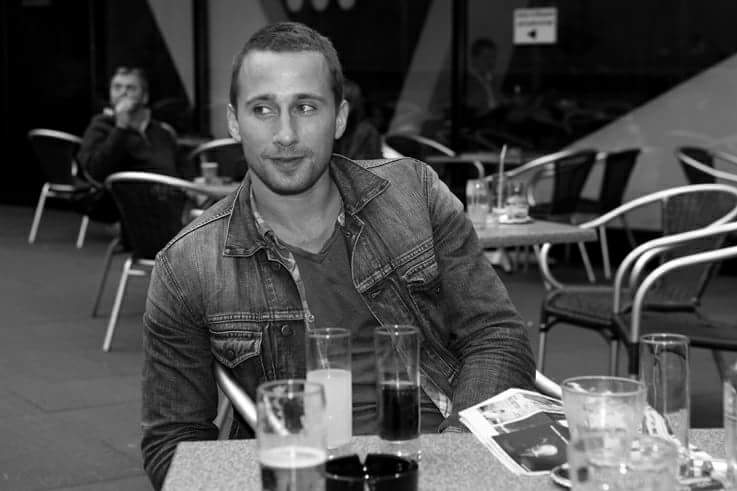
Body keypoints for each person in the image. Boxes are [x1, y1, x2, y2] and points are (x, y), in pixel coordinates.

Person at [141, 21, 535, 489]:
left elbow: (497, 336)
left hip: (446, 460)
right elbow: (173, 442)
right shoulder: (186, 264)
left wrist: (453, 454)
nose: (285, 134)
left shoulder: (415, 194)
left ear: (340, 117)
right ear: (233, 122)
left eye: (306, 107)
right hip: (303, 475)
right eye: (263, 109)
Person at [76, 67, 180, 221]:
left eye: (130, 88)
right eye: (117, 87)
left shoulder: (162, 131)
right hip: (131, 208)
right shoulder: (101, 126)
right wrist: (121, 128)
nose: (123, 92)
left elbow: (182, 168)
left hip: (173, 202)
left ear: (145, 97)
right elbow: (95, 172)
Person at [333, 79, 382, 160]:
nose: (342, 106)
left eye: (348, 101)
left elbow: (374, 162)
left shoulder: (367, 131)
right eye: (337, 100)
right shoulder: (329, 127)